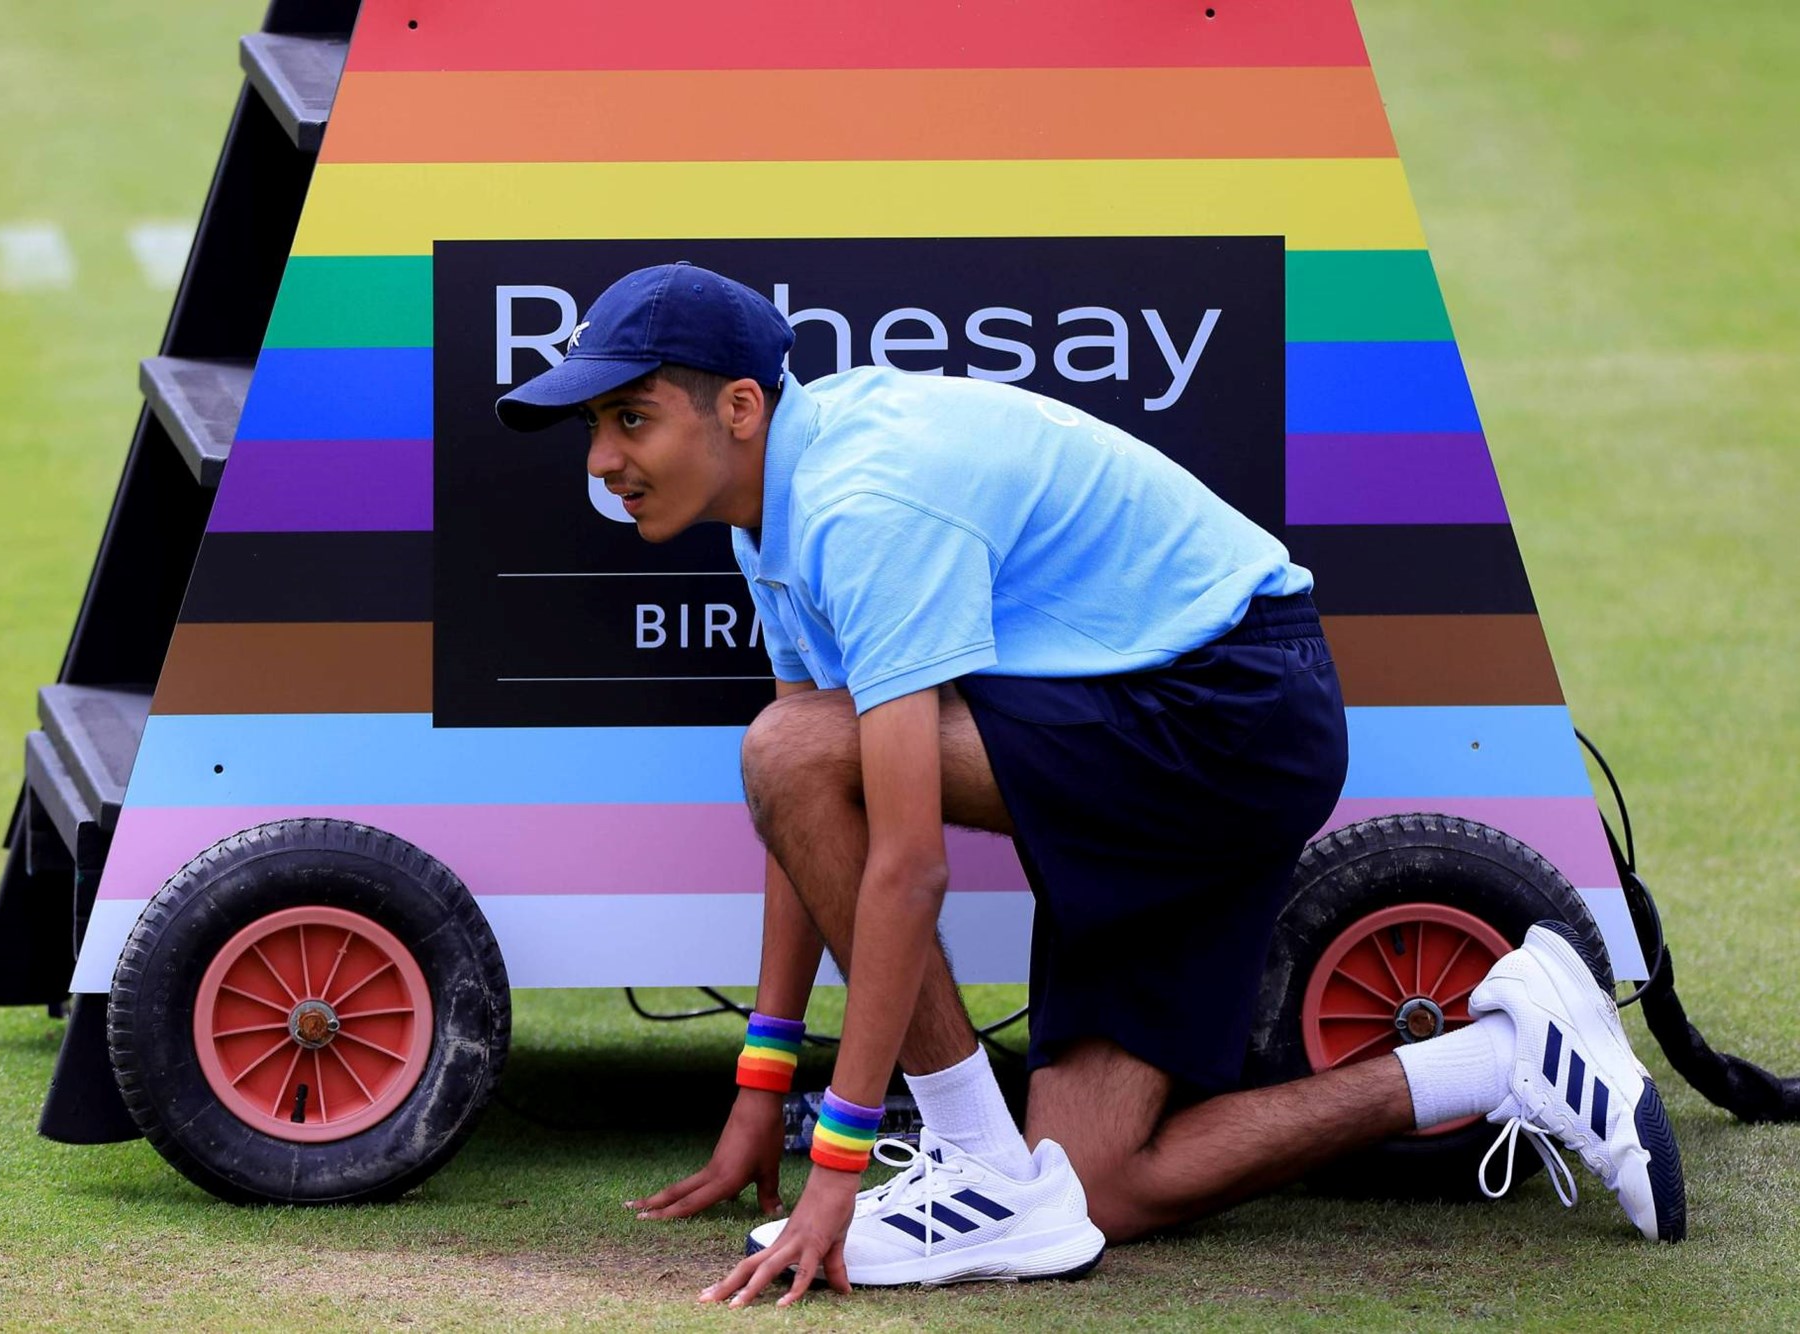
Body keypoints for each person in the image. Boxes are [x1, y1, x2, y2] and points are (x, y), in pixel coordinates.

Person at [494, 263, 1687, 1307]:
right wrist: (762, 1080)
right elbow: (813, 824)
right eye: (599, 427)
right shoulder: (770, 513)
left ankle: (973, 1161)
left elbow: (900, 857)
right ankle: (1508, 1051)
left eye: (629, 421)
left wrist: (838, 1164)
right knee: (1094, 1186)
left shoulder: (865, 502)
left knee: (785, 743)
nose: (603, 462)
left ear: (738, 408)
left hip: (1227, 712)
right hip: (1152, 733)